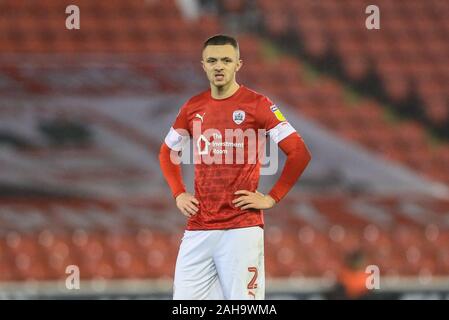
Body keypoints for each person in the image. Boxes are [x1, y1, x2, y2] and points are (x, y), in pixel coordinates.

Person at [159, 34, 311, 300]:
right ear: (203, 65)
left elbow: (299, 152)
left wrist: (272, 198)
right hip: (199, 227)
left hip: (241, 229)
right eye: (213, 60)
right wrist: (178, 193)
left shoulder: (258, 105)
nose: (219, 66)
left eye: (226, 60)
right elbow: (167, 151)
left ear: (238, 64)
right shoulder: (193, 107)